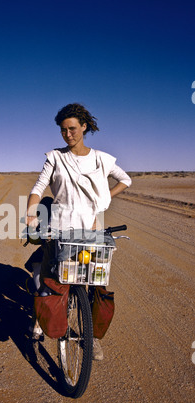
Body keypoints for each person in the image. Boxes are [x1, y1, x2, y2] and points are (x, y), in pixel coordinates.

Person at [25, 103, 132, 359]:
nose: (68, 135)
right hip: (59, 229)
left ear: (84, 126)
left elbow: (126, 180)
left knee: (95, 283)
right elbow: (39, 187)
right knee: (52, 281)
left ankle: (91, 337)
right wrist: (30, 212)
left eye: (72, 128)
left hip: (90, 230)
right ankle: (41, 320)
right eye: (63, 130)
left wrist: (103, 200)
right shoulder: (55, 157)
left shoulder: (101, 159)